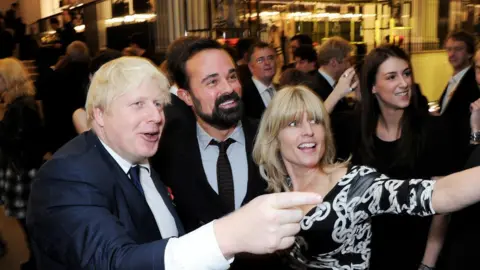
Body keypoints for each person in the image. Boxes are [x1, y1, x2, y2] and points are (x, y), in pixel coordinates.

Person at [26, 56, 323, 269]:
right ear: (100, 115)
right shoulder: (67, 175)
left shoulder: (141, 163)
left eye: (157, 104)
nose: (156, 116)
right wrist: (230, 234)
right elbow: (114, 261)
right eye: (138, 104)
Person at [252, 84, 480, 269]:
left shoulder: (357, 184)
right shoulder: (273, 192)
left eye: (315, 120)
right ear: (274, 136)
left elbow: (440, 194)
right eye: (293, 123)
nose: (308, 131)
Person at [325, 44, 466, 270]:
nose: (404, 83)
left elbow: (443, 207)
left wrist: (427, 264)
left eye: (406, 73)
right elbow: (306, 130)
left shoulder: (434, 130)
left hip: (416, 252)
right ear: (372, 86)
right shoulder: (352, 129)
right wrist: (337, 93)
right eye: (391, 77)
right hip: (361, 256)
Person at [152, 36, 285, 269]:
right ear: (185, 96)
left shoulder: (272, 139)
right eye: (212, 82)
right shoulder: (165, 152)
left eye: (232, 76)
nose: (228, 88)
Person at [0, 57, 47, 270]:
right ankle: (35, 260)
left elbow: (19, 142)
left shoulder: (20, 106)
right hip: (25, 169)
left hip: (22, 172)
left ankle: (37, 262)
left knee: (29, 224)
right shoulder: (23, 102)